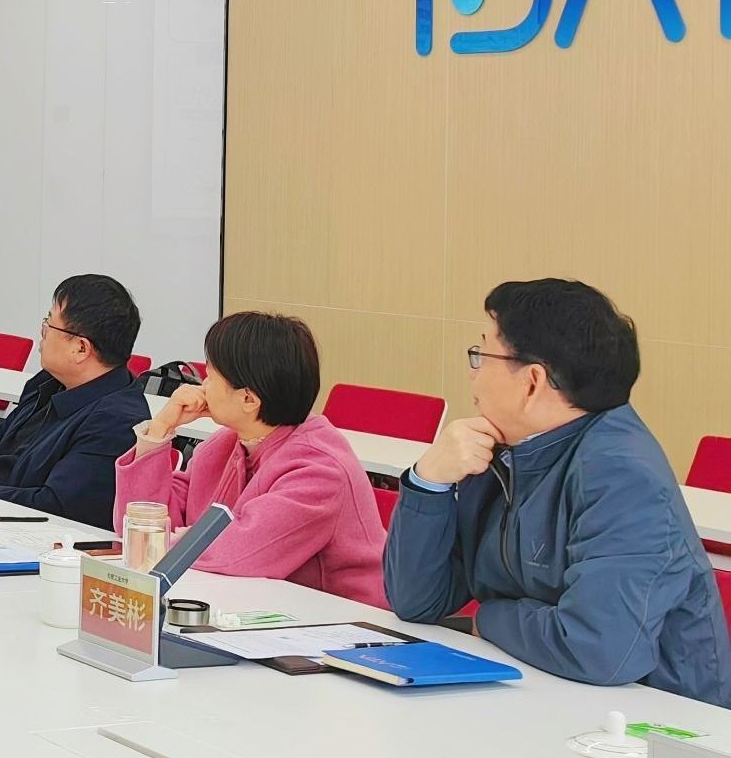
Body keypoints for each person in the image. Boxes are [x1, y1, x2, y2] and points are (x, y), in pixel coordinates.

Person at [385, 279, 730, 705]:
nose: (473, 372)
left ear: (531, 381)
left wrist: (488, 618)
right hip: (544, 688)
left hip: (657, 717)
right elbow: (417, 602)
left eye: (482, 355)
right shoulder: (501, 450)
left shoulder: (623, 475)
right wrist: (430, 480)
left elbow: (598, 650)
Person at [116, 312, 386, 605]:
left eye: (211, 376)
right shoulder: (226, 443)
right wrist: (160, 428)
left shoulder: (320, 470)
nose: (201, 385)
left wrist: (147, 541)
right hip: (260, 602)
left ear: (248, 399)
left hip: (346, 616)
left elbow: (235, 552)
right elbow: (142, 519)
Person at [0, 274, 149, 526]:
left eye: (48, 326)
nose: (42, 335)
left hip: (23, 533)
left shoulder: (116, 421)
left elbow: (54, 506)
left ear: (81, 348)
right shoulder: (48, 382)